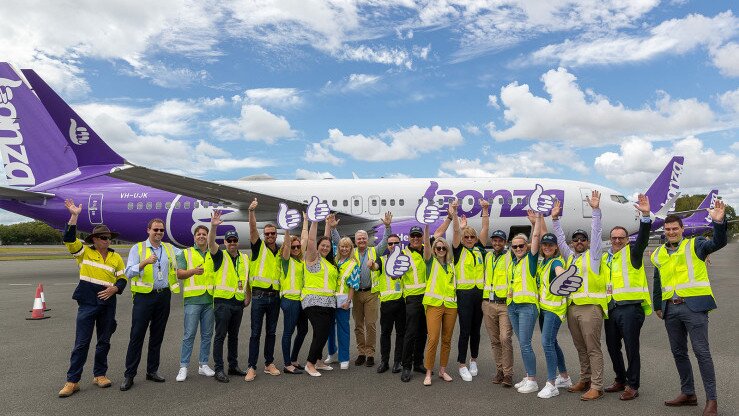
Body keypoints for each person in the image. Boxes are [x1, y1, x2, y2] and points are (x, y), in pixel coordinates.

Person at [652, 201, 727, 416]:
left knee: (702, 352)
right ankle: (688, 393)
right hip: (670, 310)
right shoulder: (658, 254)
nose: (671, 232)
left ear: (682, 230)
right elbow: (658, 280)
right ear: (663, 231)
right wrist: (658, 304)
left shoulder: (696, 245)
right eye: (667, 229)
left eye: (675, 229)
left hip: (694, 308)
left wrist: (718, 222)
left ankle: (711, 401)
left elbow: (718, 243)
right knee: (678, 353)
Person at [58, 199, 126, 398]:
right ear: (94, 239)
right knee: (81, 343)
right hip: (88, 303)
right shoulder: (84, 253)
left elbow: (122, 278)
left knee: (104, 341)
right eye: (103, 237)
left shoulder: (116, 257)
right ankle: (72, 381)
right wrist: (74, 215)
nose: (107, 240)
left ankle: (100, 374)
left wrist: (115, 288)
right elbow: (69, 239)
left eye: (108, 237)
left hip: (108, 303)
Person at [551, 191, 607, 401]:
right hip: (573, 308)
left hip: (590, 308)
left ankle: (597, 385)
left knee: (593, 348)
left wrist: (595, 211)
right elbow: (560, 240)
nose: (579, 241)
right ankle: (584, 379)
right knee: (580, 347)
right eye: (576, 239)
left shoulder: (593, 257)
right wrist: (555, 219)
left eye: (583, 239)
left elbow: (597, 231)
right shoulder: (570, 258)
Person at [601, 193, 652, 400]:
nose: (617, 240)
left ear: (626, 239)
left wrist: (646, 216)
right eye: (614, 238)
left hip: (630, 308)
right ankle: (620, 379)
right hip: (611, 308)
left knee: (632, 348)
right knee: (613, 347)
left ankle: (632, 385)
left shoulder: (633, 252)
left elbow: (644, 238)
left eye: (621, 237)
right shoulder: (606, 258)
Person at [121, 217, 181, 391]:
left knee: (157, 335)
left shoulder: (168, 248)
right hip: (143, 298)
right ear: (148, 230)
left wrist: (205, 238)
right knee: (137, 336)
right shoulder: (138, 248)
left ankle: (152, 370)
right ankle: (129, 374)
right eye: (155, 230)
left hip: (163, 296)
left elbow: (187, 254)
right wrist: (144, 263)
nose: (159, 233)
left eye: (161, 230)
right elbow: (128, 272)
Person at [207, 210, 248, 383]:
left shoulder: (244, 258)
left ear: (238, 242)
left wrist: (248, 295)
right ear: (225, 242)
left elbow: (247, 279)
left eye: (235, 240)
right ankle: (219, 369)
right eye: (229, 240)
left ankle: (233, 366)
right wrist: (213, 227)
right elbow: (210, 244)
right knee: (220, 336)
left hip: (238, 303)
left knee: (234, 336)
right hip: (223, 303)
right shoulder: (220, 256)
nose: (232, 243)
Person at [532, 213, 570, 399]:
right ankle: (565, 376)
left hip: (554, 310)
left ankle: (551, 383)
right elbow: (544, 234)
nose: (547, 247)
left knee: (547, 343)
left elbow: (560, 272)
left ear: (556, 248)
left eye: (551, 245)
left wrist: (563, 275)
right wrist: (536, 223)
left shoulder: (555, 261)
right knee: (553, 343)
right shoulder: (544, 262)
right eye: (544, 244)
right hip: (544, 309)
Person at [246, 198, 282, 381]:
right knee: (255, 333)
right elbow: (253, 230)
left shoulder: (280, 250)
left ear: (276, 235)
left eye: (272, 234)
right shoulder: (258, 247)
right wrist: (251, 212)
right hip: (259, 297)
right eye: (267, 234)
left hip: (274, 297)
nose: (269, 236)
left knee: (271, 332)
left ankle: (269, 363)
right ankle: (251, 367)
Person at [175, 225, 215, 382]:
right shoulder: (185, 253)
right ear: (194, 237)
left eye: (204, 234)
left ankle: (203, 364)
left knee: (207, 334)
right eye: (198, 234)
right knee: (189, 334)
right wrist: (193, 271)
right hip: (193, 300)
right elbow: (179, 274)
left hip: (209, 299)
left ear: (207, 236)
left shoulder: (213, 253)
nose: (201, 236)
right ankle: (183, 366)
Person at [302, 215, 339, 377]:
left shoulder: (328, 262)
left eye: (327, 246)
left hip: (329, 303)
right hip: (313, 302)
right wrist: (315, 221)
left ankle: (318, 360)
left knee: (321, 332)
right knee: (322, 331)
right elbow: (311, 240)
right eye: (322, 246)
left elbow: (326, 239)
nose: (325, 248)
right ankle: (310, 363)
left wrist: (328, 225)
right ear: (316, 247)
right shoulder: (312, 258)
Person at [421, 221, 457, 386]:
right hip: (434, 305)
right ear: (434, 250)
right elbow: (427, 245)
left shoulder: (451, 266)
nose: (441, 250)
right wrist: (427, 226)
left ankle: (442, 370)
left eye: (443, 248)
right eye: (438, 248)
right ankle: (428, 372)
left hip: (450, 306)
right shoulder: (430, 261)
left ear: (446, 250)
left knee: (447, 339)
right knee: (433, 338)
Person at [507, 228, 540, 394]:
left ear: (526, 246)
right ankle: (528, 376)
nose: (518, 249)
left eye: (521, 246)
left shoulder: (531, 259)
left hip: (527, 306)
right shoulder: (514, 263)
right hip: (513, 305)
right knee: (522, 343)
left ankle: (533, 380)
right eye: (515, 247)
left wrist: (538, 221)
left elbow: (535, 237)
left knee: (526, 344)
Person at [481, 225, 514, 388]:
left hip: (504, 305)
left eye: (500, 240)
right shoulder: (487, 257)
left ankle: (508, 374)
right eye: (494, 240)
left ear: (505, 242)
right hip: (488, 303)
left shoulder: (510, 256)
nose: (497, 243)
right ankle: (499, 370)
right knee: (495, 341)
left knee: (505, 338)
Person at [326, 214, 359, 370]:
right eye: (342, 246)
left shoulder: (354, 264)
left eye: (347, 246)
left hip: (344, 299)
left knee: (343, 329)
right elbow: (332, 241)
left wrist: (349, 301)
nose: (344, 248)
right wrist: (333, 228)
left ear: (351, 248)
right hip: (330, 299)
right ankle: (332, 353)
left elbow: (353, 285)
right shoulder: (334, 259)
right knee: (329, 328)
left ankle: (344, 357)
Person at [397, 224, 429, 382]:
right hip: (412, 299)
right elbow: (394, 274)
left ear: (422, 237)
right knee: (410, 333)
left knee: (423, 333)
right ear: (409, 238)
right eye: (413, 236)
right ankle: (406, 366)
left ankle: (418, 362)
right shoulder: (403, 254)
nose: (416, 238)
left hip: (428, 298)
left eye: (418, 236)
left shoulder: (427, 251)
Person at [279, 218, 309, 375]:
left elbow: (304, 238)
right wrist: (287, 230)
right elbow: (286, 246)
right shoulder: (286, 260)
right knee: (288, 332)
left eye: (298, 247)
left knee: (303, 330)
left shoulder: (300, 261)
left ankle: (294, 359)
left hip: (301, 300)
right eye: (293, 247)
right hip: (290, 300)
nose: (296, 248)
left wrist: (305, 221)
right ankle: (287, 364)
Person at [352, 228, 384, 367]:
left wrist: (387, 227)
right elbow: (337, 242)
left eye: (364, 238)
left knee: (370, 324)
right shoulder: (351, 253)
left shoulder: (374, 251)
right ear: (355, 240)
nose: (362, 240)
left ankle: (370, 353)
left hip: (371, 293)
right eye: (359, 238)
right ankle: (361, 352)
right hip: (356, 293)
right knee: (358, 325)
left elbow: (384, 243)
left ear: (368, 239)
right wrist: (333, 228)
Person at [377, 228, 406, 374]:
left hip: (402, 303)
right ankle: (384, 361)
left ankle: (397, 362)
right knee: (385, 334)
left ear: (400, 244)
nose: (393, 246)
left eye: (396, 243)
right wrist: (371, 265)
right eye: (390, 244)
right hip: (387, 303)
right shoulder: (382, 260)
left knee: (401, 333)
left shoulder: (405, 260)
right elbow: (375, 267)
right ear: (387, 245)